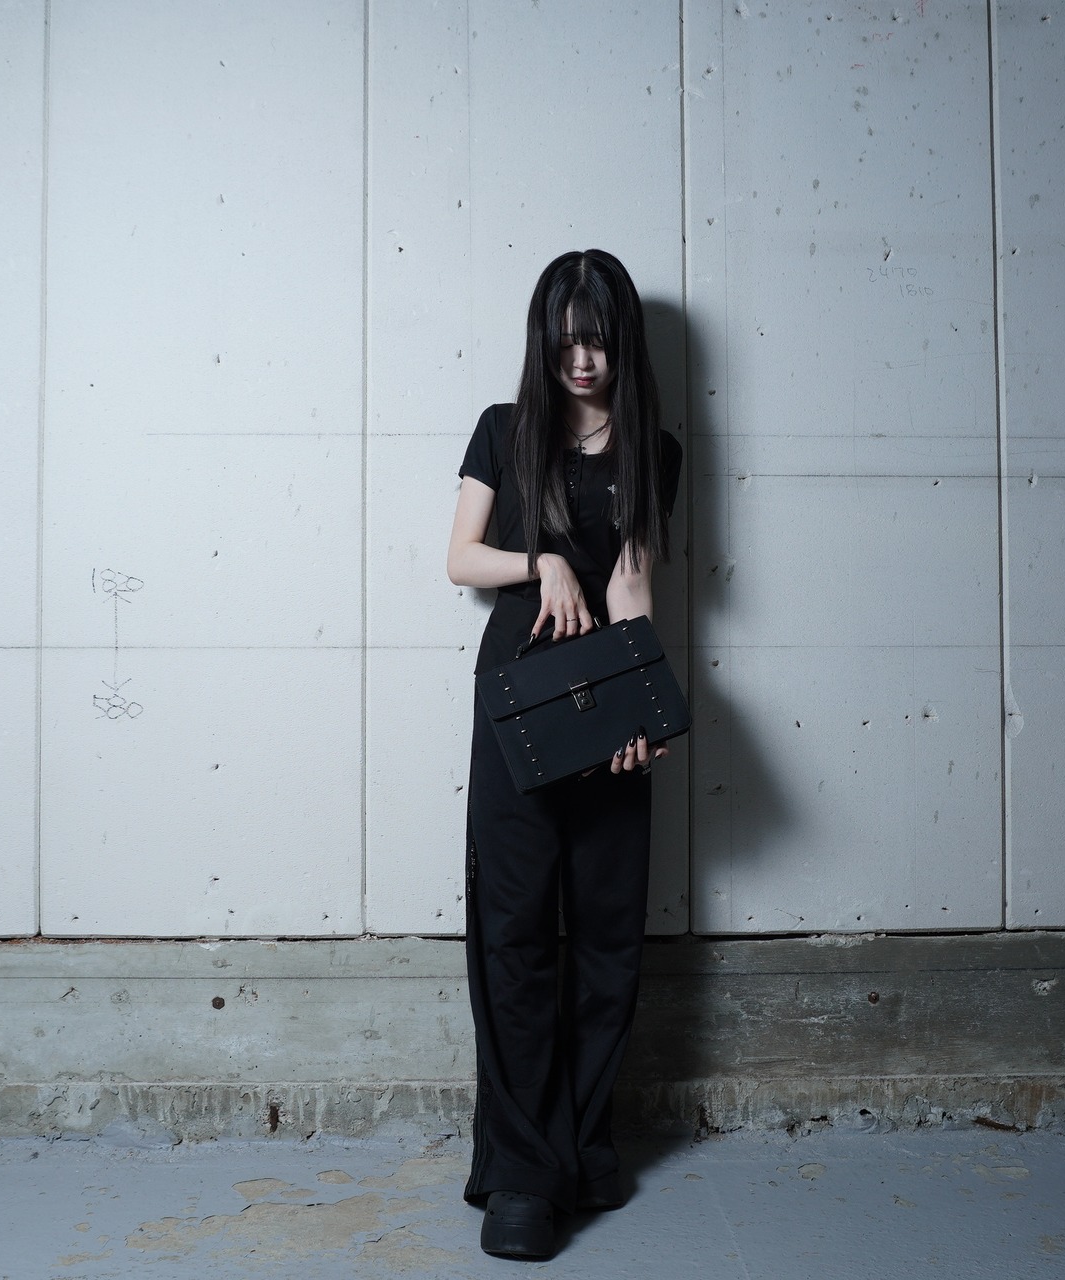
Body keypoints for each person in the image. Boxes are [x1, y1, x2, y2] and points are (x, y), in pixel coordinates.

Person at [446, 249, 682, 1259]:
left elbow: (631, 587)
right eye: (566, 338)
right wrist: (541, 558)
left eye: (599, 339)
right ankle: (520, 1168)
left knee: (605, 930)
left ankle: (581, 1144)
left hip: (606, 710)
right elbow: (459, 559)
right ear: (544, 338)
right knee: (512, 933)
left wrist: (641, 710)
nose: (581, 358)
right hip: (517, 702)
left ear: (621, 343)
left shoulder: (653, 449)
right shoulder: (505, 430)